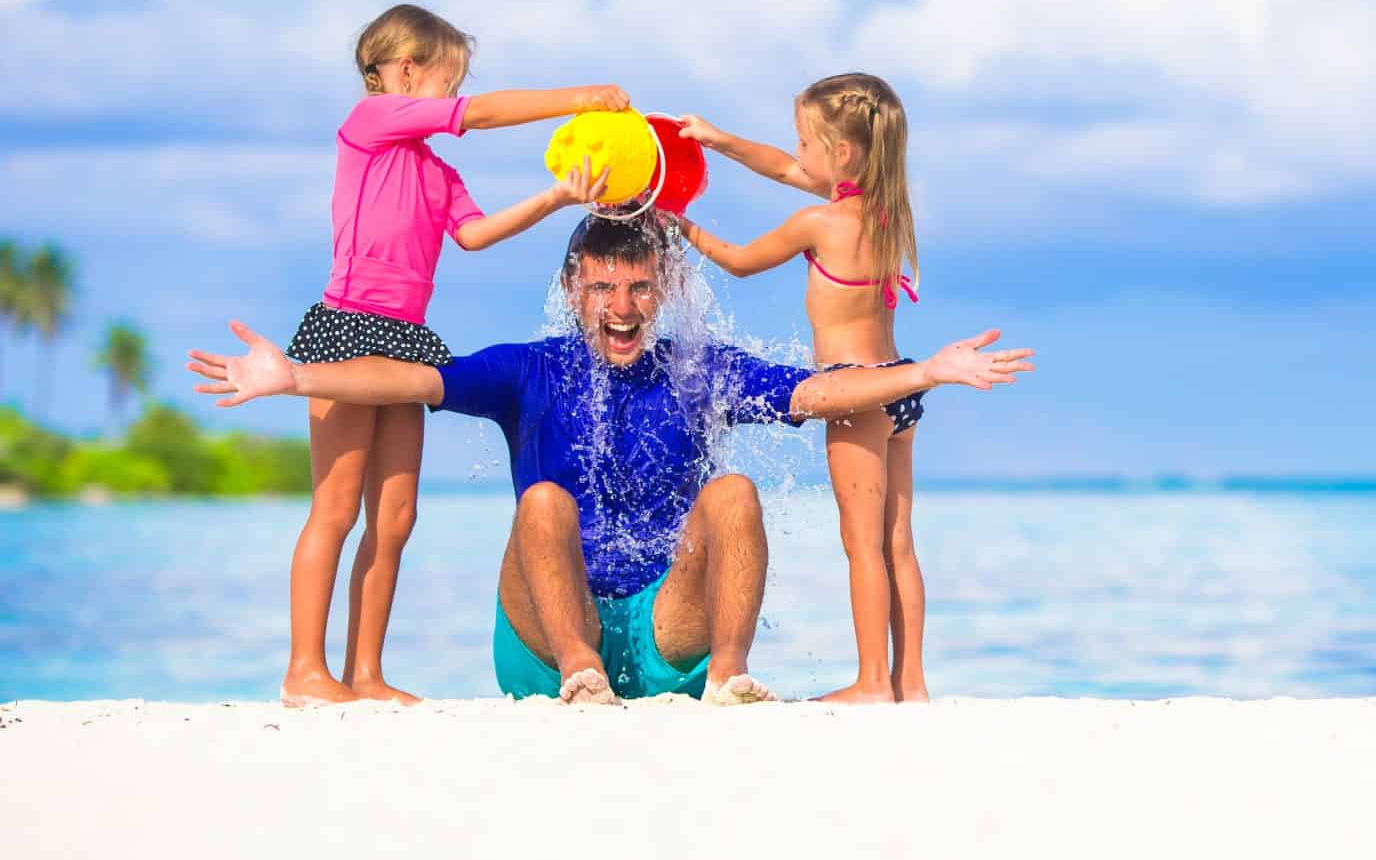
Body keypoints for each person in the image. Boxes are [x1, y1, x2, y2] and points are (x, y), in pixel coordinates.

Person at [187, 212, 1034, 706]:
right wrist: (296, 376)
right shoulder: (530, 369)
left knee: (734, 491)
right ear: (573, 292)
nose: (621, 309)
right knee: (542, 502)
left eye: (636, 289)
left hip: (671, 631)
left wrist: (922, 372)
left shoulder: (695, 368)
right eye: (602, 289)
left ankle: (729, 681)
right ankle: (584, 673)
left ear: (660, 290)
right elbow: (410, 376)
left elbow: (812, 393)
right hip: (546, 645)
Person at [282, 3, 624, 707]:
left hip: (405, 339)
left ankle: (366, 674)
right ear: (405, 72)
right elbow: (481, 114)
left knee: (397, 515)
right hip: (348, 326)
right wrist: (579, 98)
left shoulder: (437, 175)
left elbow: (474, 235)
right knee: (336, 507)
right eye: (448, 81)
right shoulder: (369, 123)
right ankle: (304, 672)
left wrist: (559, 196)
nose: (451, 97)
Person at [671, 74, 935, 703]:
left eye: (807, 143)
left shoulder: (818, 223)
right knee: (898, 540)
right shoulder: (889, 212)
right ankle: (910, 682)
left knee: (860, 543)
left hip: (854, 392)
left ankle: (871, 681)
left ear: (841, 154)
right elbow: (784, 167)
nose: (797, 156)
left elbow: (736, 259)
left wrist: (678, 226)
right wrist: (717, 140)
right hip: (898, 384)